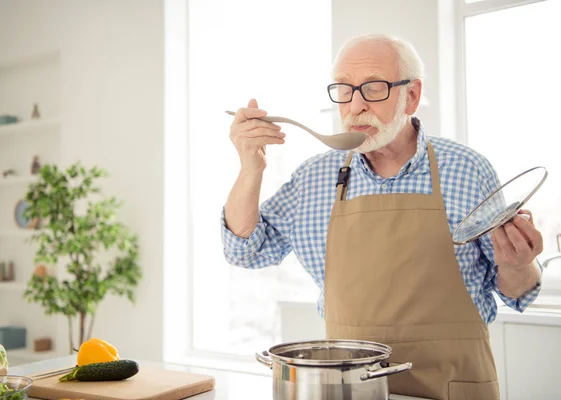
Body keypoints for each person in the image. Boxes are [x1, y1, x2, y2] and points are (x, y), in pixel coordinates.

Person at [220, 34, 543, 400]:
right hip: (349, 390)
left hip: (455, 386)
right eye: (344, 89)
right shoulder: (313, 178)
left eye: (373, 88)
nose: (356, 105)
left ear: (412, 96)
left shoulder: (468, 170)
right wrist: (251, 169)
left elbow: (517, 292)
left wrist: (518, 265)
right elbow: (244, 251)